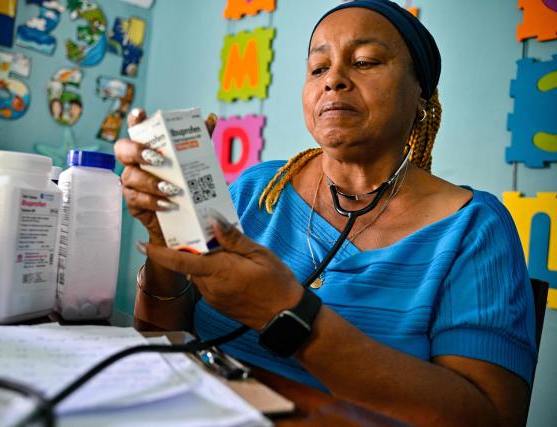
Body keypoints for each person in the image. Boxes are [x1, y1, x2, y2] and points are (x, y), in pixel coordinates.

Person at [114, 1, 537, 425]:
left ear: (421, 98)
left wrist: (289, 314)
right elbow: (162, 343)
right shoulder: (256, 189)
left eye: (365, 61)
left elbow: (491, 416)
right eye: (318, 68)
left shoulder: (474, 229)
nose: (333, 79)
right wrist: (165, 239)